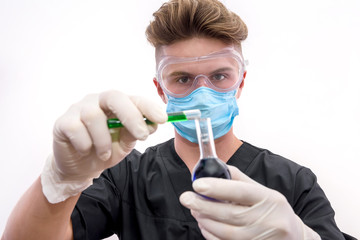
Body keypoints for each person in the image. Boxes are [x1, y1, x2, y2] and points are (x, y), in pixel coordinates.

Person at [2, 0, 355, 239]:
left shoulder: (294, 182)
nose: (202, 92)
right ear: (161, 90)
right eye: (183, 79)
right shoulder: (124, 176)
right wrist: (60, 181)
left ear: (241, 82)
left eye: (219, 76)